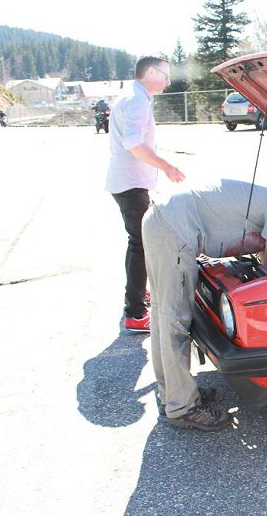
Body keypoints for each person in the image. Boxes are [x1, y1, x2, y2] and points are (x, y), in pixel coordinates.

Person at [142, 181, 267, 431]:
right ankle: (183, 408)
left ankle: (174, 394)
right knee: (174, 321)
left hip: (163, 220)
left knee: (163, 316)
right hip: (175, 229)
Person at [106, 56, 184, 332]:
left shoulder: (133, 96)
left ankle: (136, 295)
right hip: (131, 183)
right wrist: (166, 166)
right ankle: (136, 312)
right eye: (164, 74)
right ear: (150, 72)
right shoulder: (137, 100)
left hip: (128, 182)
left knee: (138, 242)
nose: (167, 80)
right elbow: (133, 143)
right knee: (141, 244)